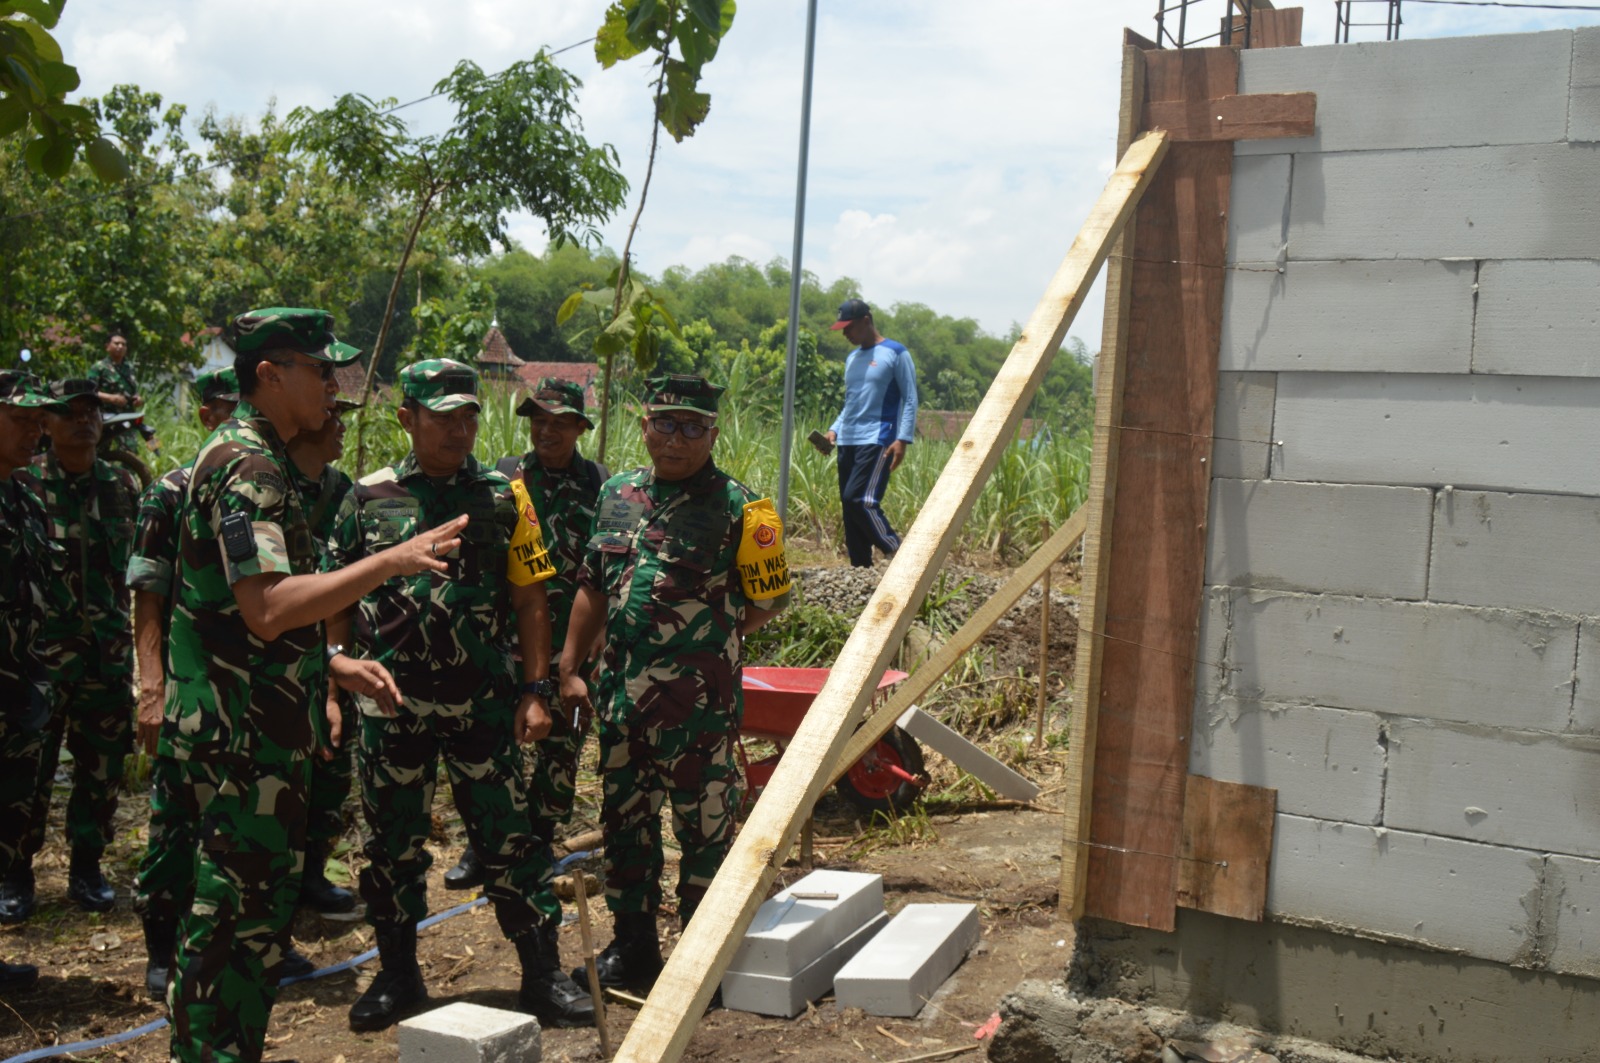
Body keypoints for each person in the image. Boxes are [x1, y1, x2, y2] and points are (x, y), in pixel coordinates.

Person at [160, 308, 461, 1063]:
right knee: (233, 923)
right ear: (269, 374)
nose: (333, 385)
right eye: (320, 370)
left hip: (256, 726)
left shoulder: (260, 458)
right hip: (242, 738)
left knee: (253, 923)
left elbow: (238, 614)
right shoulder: (248, 467)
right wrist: (390, 562)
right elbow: (268, 609)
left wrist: (330, 666)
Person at [327, 359, 595, 1031]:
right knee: (391, 846)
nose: (459, 430)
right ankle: (397, 974)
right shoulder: (368, 496)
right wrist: (336, 671)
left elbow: (530, 599)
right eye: (443, 417)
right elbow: (338, 594)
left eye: (469, 416)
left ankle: (542, 973)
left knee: (511, 840)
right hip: (392, 707)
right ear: (407, 418)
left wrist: (536, 690)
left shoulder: (505, 497)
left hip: (483, 704)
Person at [558, 373, 792, 992]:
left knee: (705, 832)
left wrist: (710, 636)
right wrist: (569, 664)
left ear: (713, 434)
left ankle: (699, 958)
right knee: (625, 827)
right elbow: (593, 584)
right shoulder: (617, 493)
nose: (677, 439)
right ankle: (632, 946)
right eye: (665, 424)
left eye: (692, 427)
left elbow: (770, 599)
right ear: (645, 428)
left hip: (698, 712)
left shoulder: (744, 508)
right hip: (621, 703)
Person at [445, 377, 609, 892]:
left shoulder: (601, 484)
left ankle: (538, 842)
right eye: (539, 421)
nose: (547, 431)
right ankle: (485, 845)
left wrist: (599, 634)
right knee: (499, 748)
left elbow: (611, 567)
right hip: (510, 639)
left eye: (560, 423)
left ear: (580, 428)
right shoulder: (504, 476)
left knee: (561, 751)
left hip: (574, 646)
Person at [9, 379, 141, 920]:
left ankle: (87, 866)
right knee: (30, 770)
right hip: (41, 660)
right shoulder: (25, 484)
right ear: (47, 424)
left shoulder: (122, 485)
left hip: (106, 658)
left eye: (91, 412)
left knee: (101, 768)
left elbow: (142, 572)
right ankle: (15, 871)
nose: (84, 421)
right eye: (70, 413)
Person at [0, 371, 68, 989]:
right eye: (21, 420)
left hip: (19, 696)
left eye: (38, 421)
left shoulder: (24, 498)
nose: (35, 432)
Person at [286, 382, 363, 917]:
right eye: (332, 415)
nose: (340, 424)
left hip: (331, 657)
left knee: (331, 768)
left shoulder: (345, 493)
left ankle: (311, 875)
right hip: (280, 659)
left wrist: (334, 680)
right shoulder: (268, 484)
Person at [824, 298, 918, 567]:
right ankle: (860, 569)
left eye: (849, 327)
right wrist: (834, 430)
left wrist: (902, 439)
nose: (845, 333)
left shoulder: (895, 353)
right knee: (848, 507)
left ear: (866, 321)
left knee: (860, 499)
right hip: (848, 439)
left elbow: (910, 398)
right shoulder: (852, 358)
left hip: (878, 438)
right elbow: (851, 402)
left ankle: (895, 550)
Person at [89, 331, 159, 456]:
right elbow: (89, 392)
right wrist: (111, 398)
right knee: (99, 452)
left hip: (127, 417)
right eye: (116, 343)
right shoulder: (99, 367)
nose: (120, 347)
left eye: (123, 344)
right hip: (106, 418)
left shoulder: (129, 367)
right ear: (107, 346)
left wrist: (139, 399)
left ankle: (159, 458)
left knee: (133, 449)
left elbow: (134, 390)